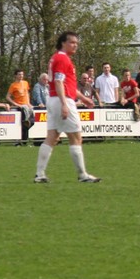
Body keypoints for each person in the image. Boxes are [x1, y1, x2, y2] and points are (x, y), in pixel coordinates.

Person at [35, 31, 100, 184]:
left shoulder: (57, 58)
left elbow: (67, 85)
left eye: (76, 43)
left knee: (52, 137)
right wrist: (64, 104)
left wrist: (84, 98)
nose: (75, 45)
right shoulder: (62, 59)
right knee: (76, 137)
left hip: (53, 99)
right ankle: (82, 175)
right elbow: (58, 82)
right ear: (63, 43)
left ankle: (39, 174)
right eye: (72, 42)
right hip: (61, 100)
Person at [6, 70, 33, 141]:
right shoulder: (13, 85)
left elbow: (27, 93)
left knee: (31, 122)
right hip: (20, 106)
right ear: (15, 75)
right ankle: (22, 140)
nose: (21, 76)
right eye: (19, 74)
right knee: (23, 123)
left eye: (22, 74)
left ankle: (24, 139)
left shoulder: (25, 83)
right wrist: (15, 104)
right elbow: (8, 97)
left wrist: (28, 103)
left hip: (27, 105)